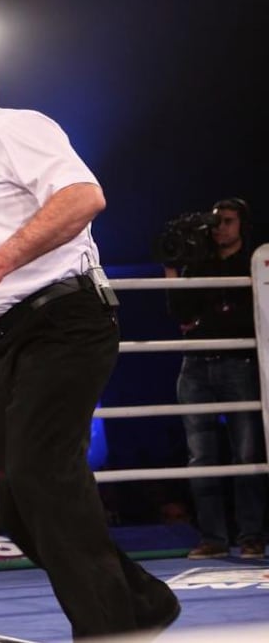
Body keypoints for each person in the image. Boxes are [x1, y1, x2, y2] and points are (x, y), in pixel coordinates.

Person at [0, 30, 180, 638]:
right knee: (19, 508)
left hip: (66, 320)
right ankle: (145, 603)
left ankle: (109, 628)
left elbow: (82, 196)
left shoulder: (11, 128)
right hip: (15, 338)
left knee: (45, 478)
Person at [165, 197, 265, 559]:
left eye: (228, 221)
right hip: (195, 364)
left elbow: (248, 319)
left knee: (247, 452)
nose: (220, 227)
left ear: (241, 225)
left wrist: (212, 321)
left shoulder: (255, 263)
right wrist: (172, 271)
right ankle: (213, 538)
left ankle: (252, 535)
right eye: (216, 221)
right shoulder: (197, 264)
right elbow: (180, 314)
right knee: (201, 455)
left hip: (239, 363)